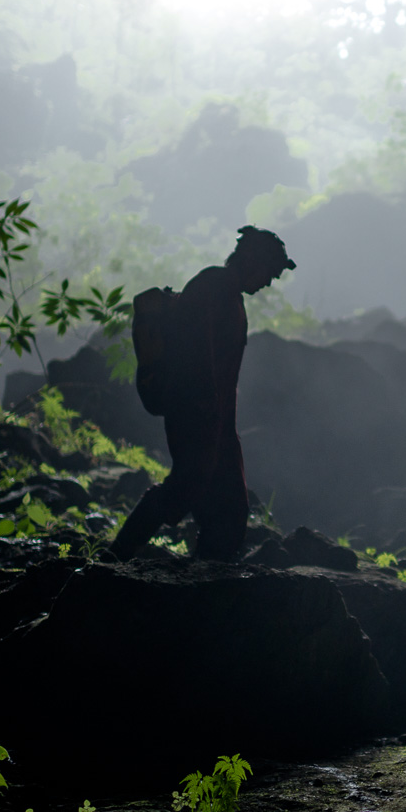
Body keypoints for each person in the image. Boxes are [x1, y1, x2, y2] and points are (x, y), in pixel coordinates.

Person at [111, 226, 295, 562]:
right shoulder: (212, 288)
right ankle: (115, 558)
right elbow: (196, 360)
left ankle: (206, 575)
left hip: (215, 421)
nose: (269, 281)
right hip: (197, 417)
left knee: (227, 507)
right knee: (186, 490)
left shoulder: (225, 293)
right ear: (252, 261)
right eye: (270, 272)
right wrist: (207, 420)